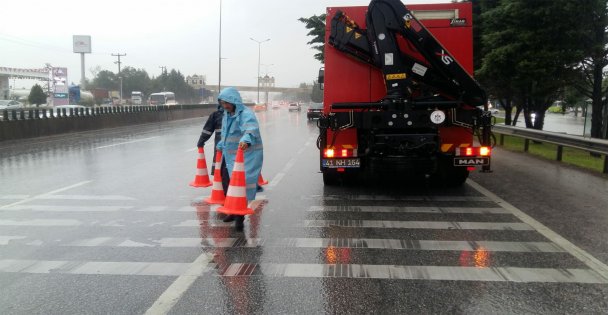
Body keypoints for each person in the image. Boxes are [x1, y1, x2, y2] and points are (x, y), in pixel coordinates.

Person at [216, 87, 263, 231]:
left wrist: (246, 140)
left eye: (227, 103)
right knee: (228, 184)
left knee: (239, 187)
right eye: (223, 103)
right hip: (229, 157)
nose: (225, 106)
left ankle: (239, 218)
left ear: (234, 101)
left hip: (243, 157)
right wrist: (221, 144)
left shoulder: (246, 114)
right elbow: (226, 133)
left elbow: (250, 130)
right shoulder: (227, 114)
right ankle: (231, 210)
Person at [196, 104, 224, 173]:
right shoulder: (239, 114)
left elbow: (207, 130)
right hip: (226, 148)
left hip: (220, 148)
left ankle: (218, 177)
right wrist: (201, 141)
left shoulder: (216, 115)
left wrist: (201, 142)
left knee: (219, 166)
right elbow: (207, 131)